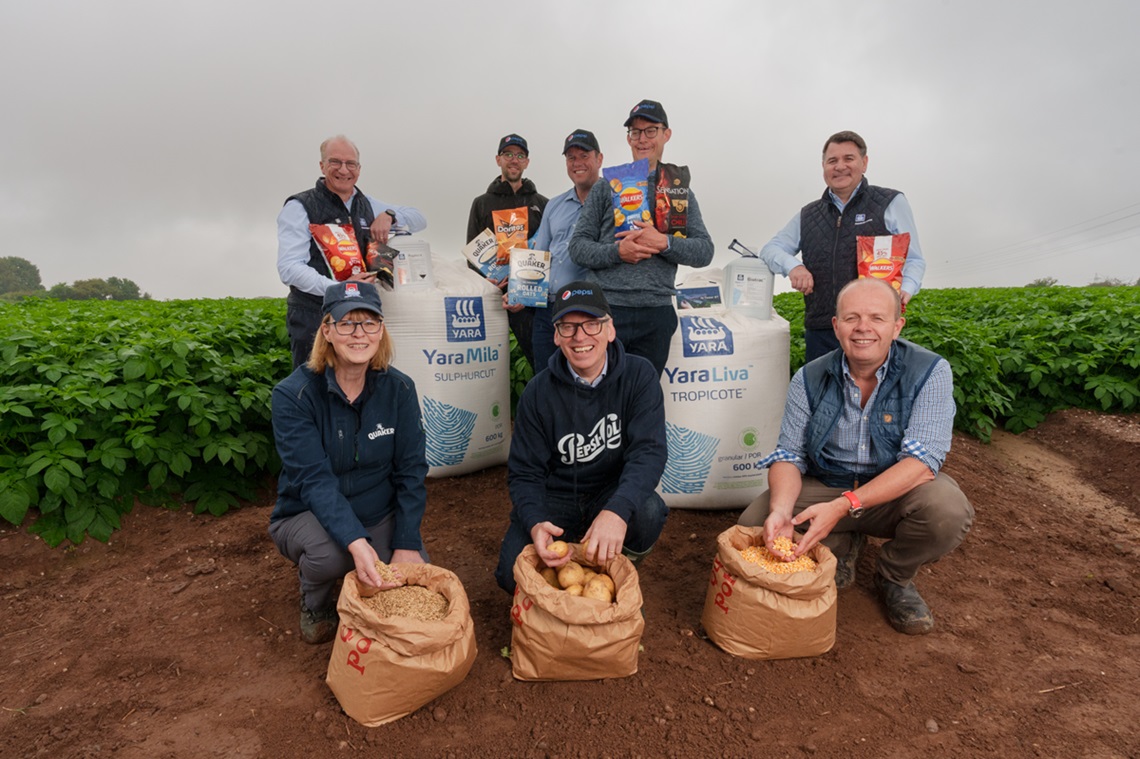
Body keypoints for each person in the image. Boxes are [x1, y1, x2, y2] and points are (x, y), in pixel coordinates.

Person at [738, 278, 973, 635]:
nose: (863, 328)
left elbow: (922, 464)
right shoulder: (810, 377)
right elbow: (789, 454)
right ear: (836, 326)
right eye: (852, 318)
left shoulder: (928, 371)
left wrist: (844, 505)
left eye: (877, 318)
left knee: (946, 510)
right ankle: (841, 544)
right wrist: (783, 511)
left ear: (897, 327)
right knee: (755, 522)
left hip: (892, 490)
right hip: (828, 483)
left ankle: (894, 577)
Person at [269, 280, 429, 644]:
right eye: (346, 323)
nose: (359, 334)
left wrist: (406, 540)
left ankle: (375, 551)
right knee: (332, 556)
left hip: (377, 510)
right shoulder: (294, 396)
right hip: (306, 512)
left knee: (412, 567)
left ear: (381, 329)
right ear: (326, 329)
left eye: (369, 322)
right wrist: (357, 542)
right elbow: (314, 481)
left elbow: (411, 470)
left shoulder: (399, 389)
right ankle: (316, 598)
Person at [494, 281, 669, 594]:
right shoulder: (538, 392)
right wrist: (535, 521)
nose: (580, 337)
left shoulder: (638, 376)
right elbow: (524, 473)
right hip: (556, 498)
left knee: (647, 511)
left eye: (591, 324)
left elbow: (649, 452)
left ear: (610, 329)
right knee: (511, 576)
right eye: (568, 327)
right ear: (556, 335)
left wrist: (617, 511)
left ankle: (614, 575)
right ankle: (575, 569)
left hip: (608, 491)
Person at [569, 99, 714, 376]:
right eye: (636, 132)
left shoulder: (678, 191)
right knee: (600, 396)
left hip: (656, 314)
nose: (642, 139)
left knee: (642, 399)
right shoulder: (605, 186)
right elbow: (578, 247)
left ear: (665, 135)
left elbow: (705, 250)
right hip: (607, 311)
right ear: (628, 138)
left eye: (651, 131)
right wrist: (617, 252)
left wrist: (664, 242)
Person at [759, 130, 926, 363]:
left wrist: (903, 291)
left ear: (864, 163)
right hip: (821, 329)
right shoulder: (809, 214)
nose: (840, 167)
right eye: (832, 161)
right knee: (824, 394)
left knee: (873, 394)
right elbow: (771, 249)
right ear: (823, 167)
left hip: (871, 329)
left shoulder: (890, 202)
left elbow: (915, 259)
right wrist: (794, 267)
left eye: (848, 159)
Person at [277, 134, 427, 369]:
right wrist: (339, 289)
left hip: (360, 317)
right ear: (322, 165)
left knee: (358, 388)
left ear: (359, 168)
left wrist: (389, 216)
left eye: (351, 164)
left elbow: (419, 219)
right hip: (314, 316)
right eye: (335, 162)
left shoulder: (368, 204)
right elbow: (289, 269)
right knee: (314, 389)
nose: (343, 170)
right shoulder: (300, 206)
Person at [466, 133, 549, 371]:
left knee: (541, 360)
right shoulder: (481, 203)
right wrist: (486, 282)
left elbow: (551, 250)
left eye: (520, 155)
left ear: (527, 162)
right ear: (498, 159)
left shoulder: (543, 203)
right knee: (492, 365)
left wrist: (528, 291)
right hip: (496, 298)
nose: (514, 160)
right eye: (508, 154)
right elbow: (473, 251)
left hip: (534, 297)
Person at [530, 129, 604, 371]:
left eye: (584, 156)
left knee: (585, 381)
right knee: (545, 379)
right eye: (571, 158)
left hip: (586, 312)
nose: (577, 163)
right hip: (547, 311)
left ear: (599, 159)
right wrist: (521, 290)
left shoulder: (615, 203)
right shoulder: (554, 205)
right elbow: (539, 257)